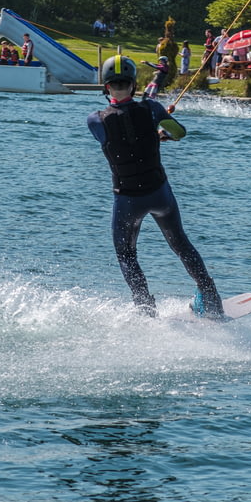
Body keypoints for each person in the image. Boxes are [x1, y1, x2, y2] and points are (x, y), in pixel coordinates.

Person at [87, 56, 225, 319]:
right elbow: (180, 132)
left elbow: (123, 130)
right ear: (134, 84)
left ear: (106, 88)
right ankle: (211, 299)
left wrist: (153, 129)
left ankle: (146, 311)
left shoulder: (95, 120)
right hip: (159, 195)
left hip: (127, 199)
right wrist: (161, 129)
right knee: (181, 245)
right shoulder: (151, 108)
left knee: (127, 255)